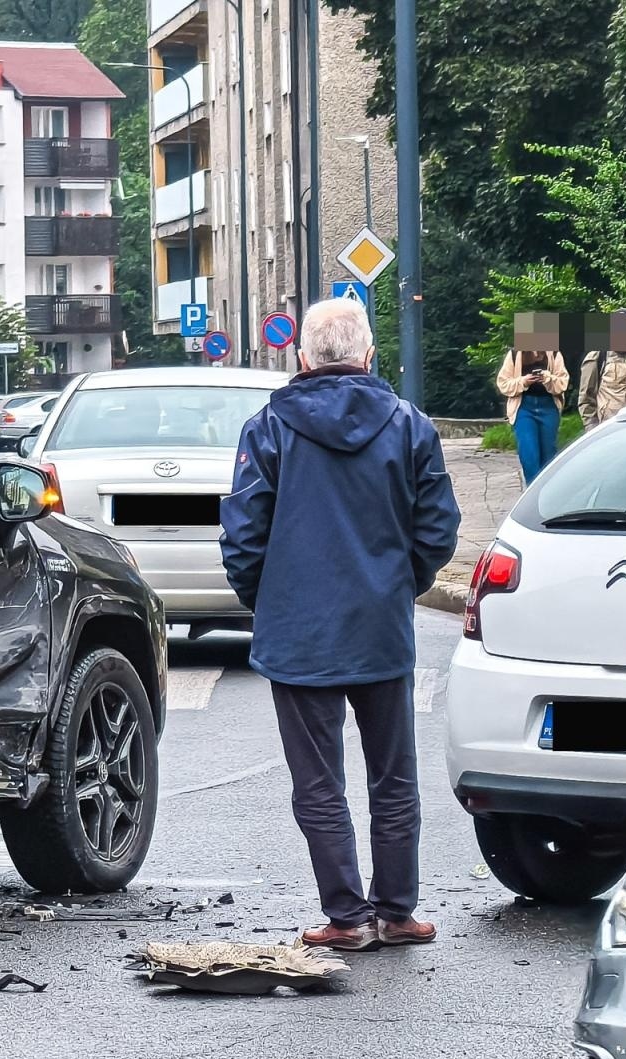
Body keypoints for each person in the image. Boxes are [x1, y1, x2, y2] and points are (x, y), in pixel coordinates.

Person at [220, 298, 461, 952]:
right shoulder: (409, 426)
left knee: (318, 782)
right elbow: (439, 528)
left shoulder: (268, 428)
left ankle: (347, 919)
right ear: (369, 354)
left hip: (298, 635)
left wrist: (270, 599)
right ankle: (398, 911)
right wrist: (399, 584)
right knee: (394, 776)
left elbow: (242, 537)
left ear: (302, 358)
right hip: (381, 628)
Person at [496, 347, 569, 484]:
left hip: (548, 406)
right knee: (529, 454)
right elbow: (503, 384)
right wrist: (523, 381)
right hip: (524, 407)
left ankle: (549, 492)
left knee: (549, 455)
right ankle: (532, 493)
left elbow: (563, 383)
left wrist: (547, 378)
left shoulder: (554, 353)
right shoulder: (515, 354)